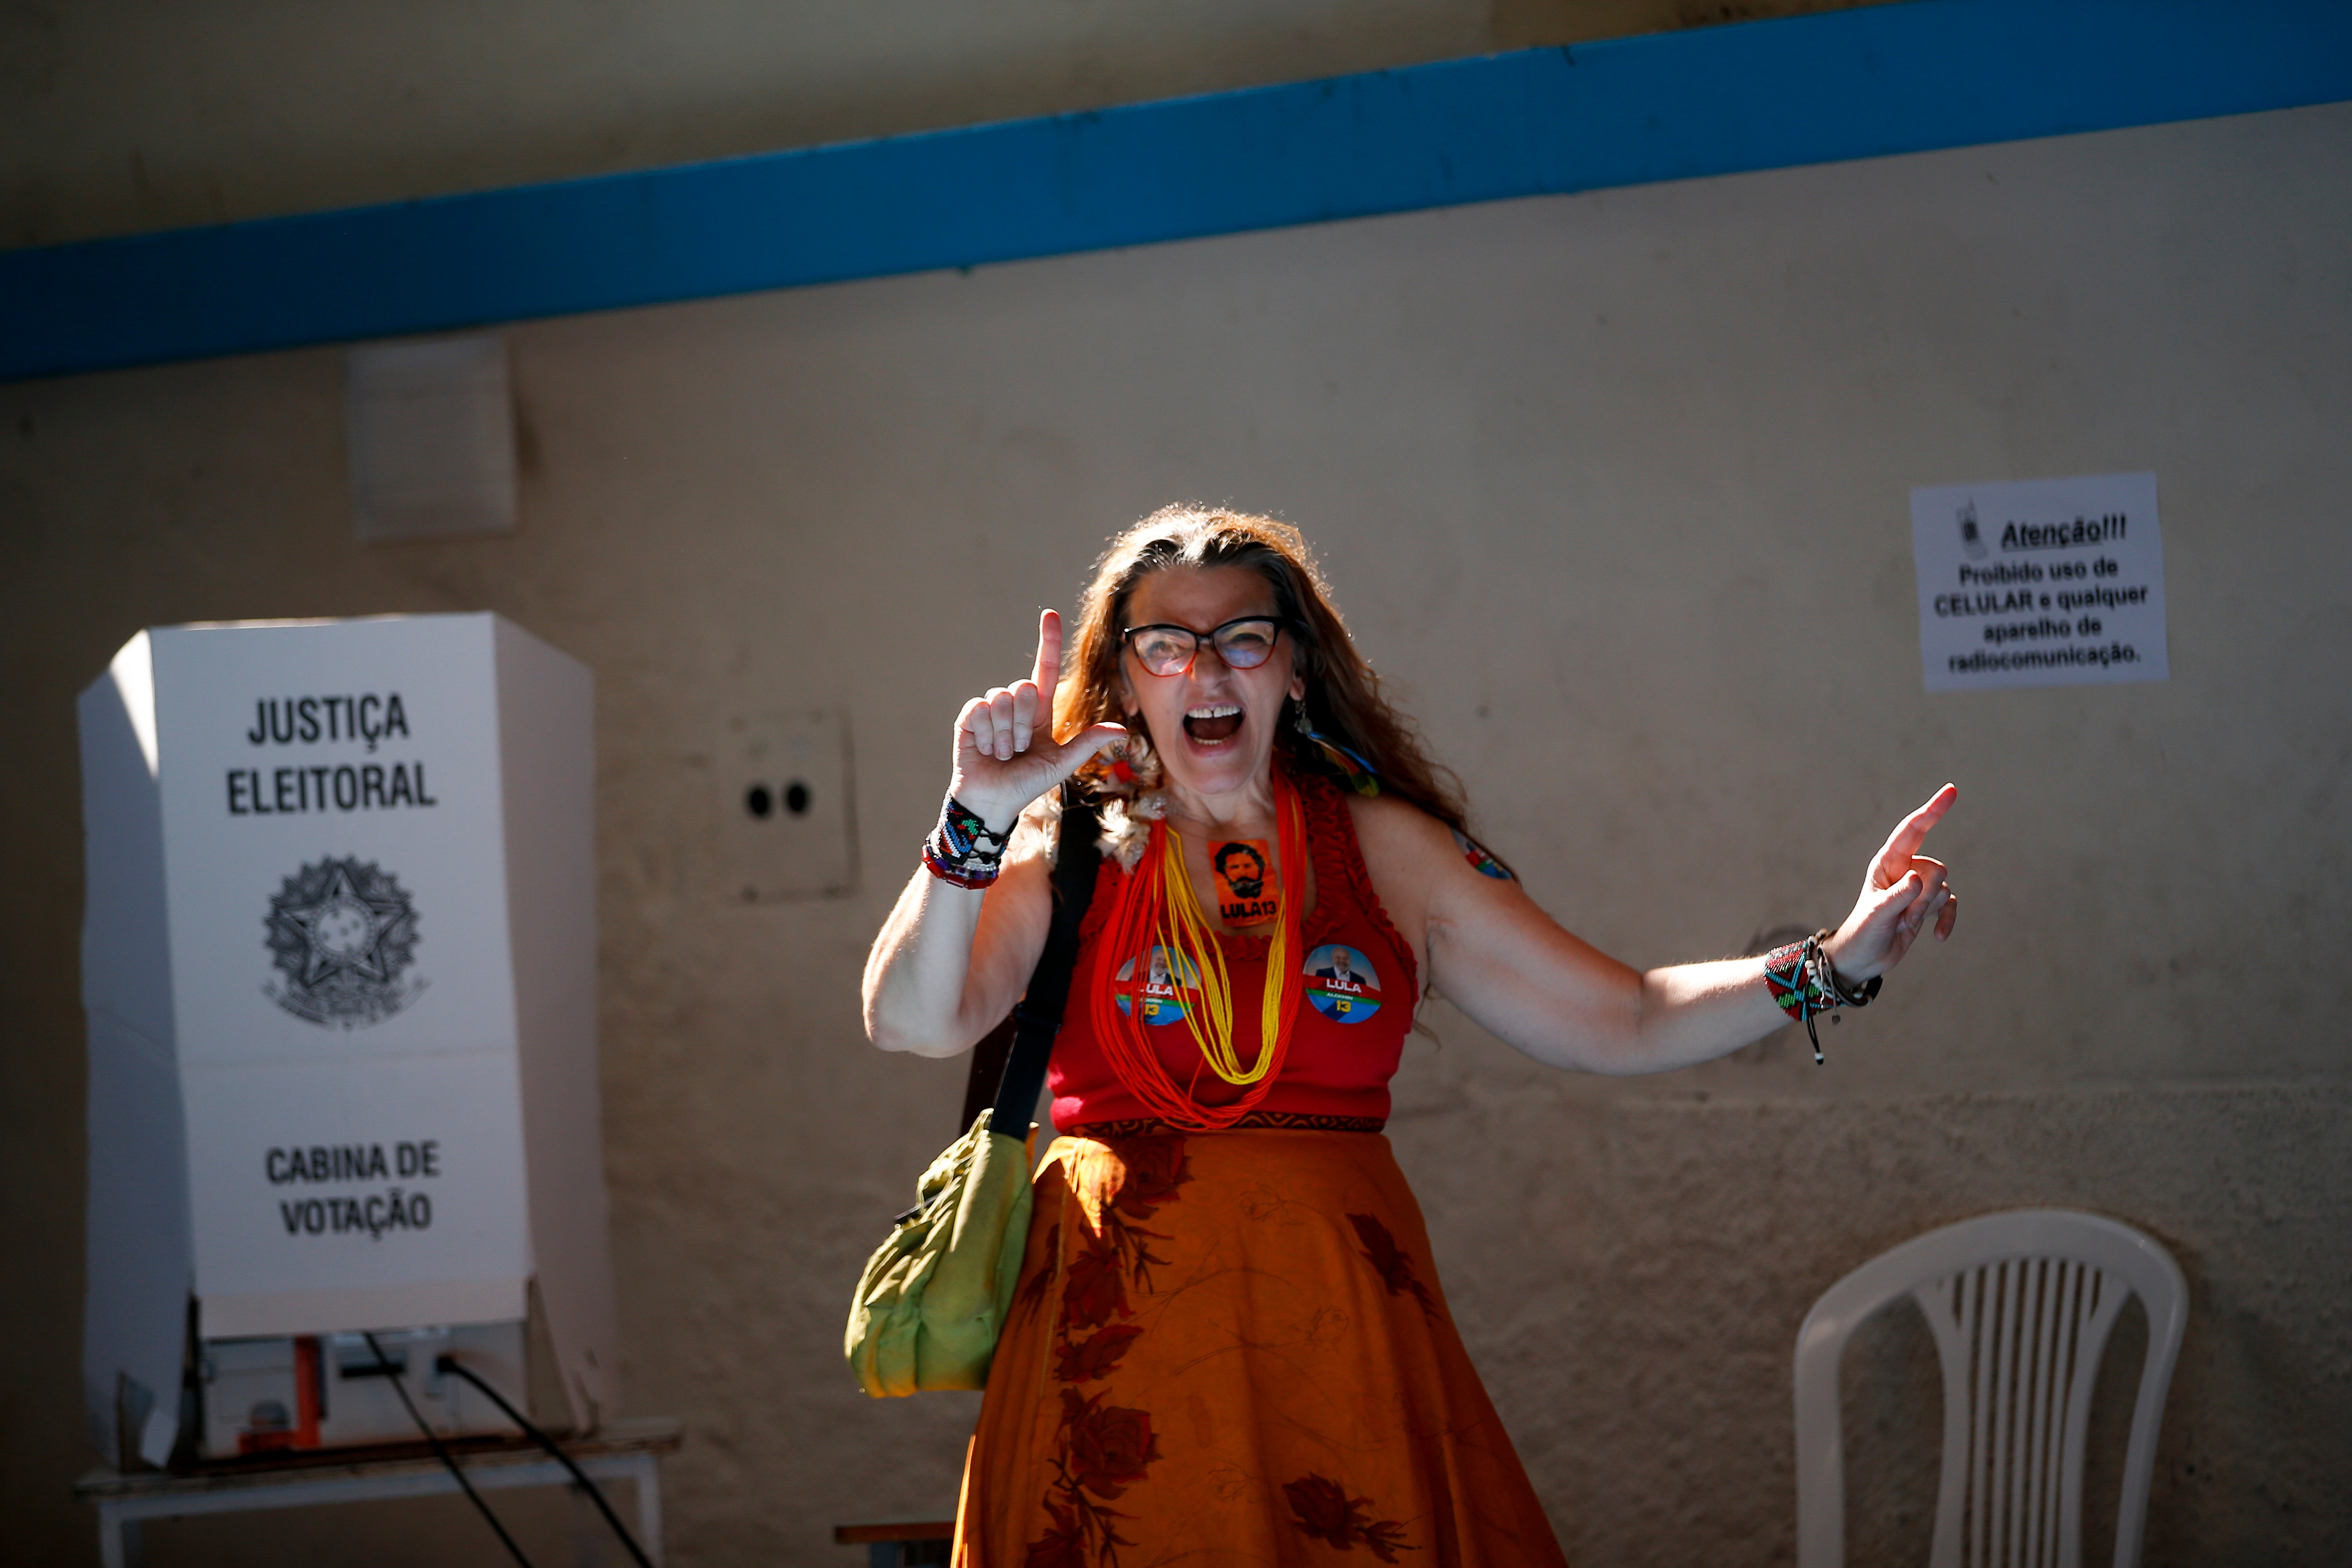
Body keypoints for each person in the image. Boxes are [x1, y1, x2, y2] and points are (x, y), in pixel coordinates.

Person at [862, 506, 1958, 1565]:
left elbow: (1623, 1017)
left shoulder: (1386, 849)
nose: (1206, 674)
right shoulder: (1061, 853)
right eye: (1166, 646)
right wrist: (974, 817)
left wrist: (1832, 966)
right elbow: (908, 1019)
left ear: (1295, 668)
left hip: (1341, 1341)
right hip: (1113, 1355)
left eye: (1243, 639)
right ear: (1123, 680)